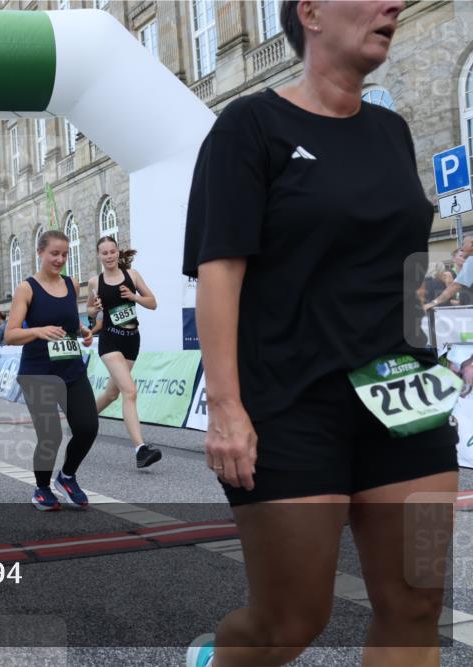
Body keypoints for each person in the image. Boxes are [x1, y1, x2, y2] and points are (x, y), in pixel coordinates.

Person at [182, 3, 458, 667]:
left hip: (406, 400)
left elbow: (403, 262)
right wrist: (225, 409)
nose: (392, 3)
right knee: (291, 619)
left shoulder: (391, 130)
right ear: (309, 12)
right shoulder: (251, 125)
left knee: (417, 605)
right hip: (292, 404)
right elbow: (218, 270)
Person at [5, 230, 97, 511]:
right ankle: (42, 487)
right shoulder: (27, 288)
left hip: (71, 367)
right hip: (38, 371)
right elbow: (10, 334)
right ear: (40, 253)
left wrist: (82, 330)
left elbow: (68, 321)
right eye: (54, 254)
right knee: (51, 435)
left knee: (87, 427)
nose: (59, 259)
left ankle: (67, 477)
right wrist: (37, 331)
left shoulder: (72, 284)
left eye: (64, 254)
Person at [86, 236, 163, 469]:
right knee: (129, 391)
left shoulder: (132, 276)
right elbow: (89, 309)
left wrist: (134, 297)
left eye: (112, 252)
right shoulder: (94, 282)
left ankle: (83, 420)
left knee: (112, 394)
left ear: (118, 253)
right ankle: (141, 449)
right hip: (110, 340)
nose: (109, 256)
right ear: (99, 255)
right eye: (104, 253)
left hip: (132, 340)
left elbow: (153, 303)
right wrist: (94, 310)